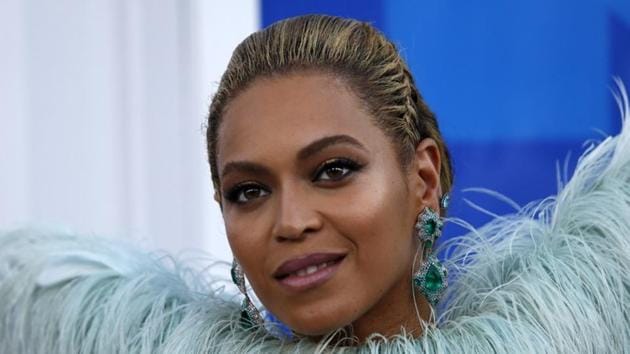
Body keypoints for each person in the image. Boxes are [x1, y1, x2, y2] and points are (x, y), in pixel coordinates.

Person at [1, 14, 630, 353]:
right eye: (248, 190)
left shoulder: (567, 330)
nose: (290, 221)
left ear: (423, 177)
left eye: (333, 170)